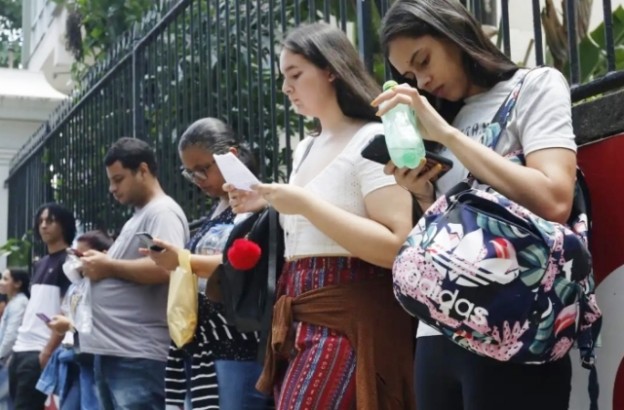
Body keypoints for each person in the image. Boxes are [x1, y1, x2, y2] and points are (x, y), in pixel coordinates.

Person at [372, 1, 578, 409]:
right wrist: (423, 195)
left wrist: (447, 134)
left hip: (517, 322)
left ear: (452, 30)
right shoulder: (440, 119)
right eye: (409, 75)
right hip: (438, 329)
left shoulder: (533, 87)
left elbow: (555, 200)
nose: (423, 79)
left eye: (423, 59)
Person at [227, 22, 415, 409]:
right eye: (284, 77)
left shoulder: (374, 139)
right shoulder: (305, 150)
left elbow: (397, 245)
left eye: (295, 74)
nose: (286, 87)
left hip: (349, 316)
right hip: (296, 315)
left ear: (331, 69)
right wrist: (266, 201)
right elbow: (314, 219)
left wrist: (305, 204)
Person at [143, 117, 271, 410]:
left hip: (241, 345)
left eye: (204, 169)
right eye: (191, 173)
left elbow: (243, 265)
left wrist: (184, 259)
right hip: (206, 346)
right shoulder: (220, 208)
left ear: (231, 157)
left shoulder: (260, 204)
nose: (199, 180)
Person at [78, 137, 189, 410]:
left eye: (118, 179)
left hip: (138, 354)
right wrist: (103, 262)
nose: (112, 188)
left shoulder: (162, 212)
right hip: (118, 352)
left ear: (142, 170)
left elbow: (167, 266)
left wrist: (108, 266)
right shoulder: (139, 216)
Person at [9, 203, 76, 409]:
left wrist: (47, 352)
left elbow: (67, 310)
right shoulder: (40, 263)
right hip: (20, 349)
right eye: (41, 221)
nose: (43, 226)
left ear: (64, 225)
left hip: (39, 350)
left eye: (50, 221)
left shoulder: (70, 261)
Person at [38, 230, 114, 410]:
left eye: (80, 255)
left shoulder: (107, 286)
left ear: (102, 255)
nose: (74, 260)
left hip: (97, 362)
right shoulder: (78, 285)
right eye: (73, 254)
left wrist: (69, 326)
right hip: (77, 360)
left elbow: (100, 325)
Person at [0, 268, 30, 410]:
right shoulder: (15, 302)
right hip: (6, 359)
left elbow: (11, 336)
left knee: (5, 401)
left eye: (6, 279)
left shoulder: (19, 303)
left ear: (18, 283)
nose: (1, 282)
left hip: (7, 361)